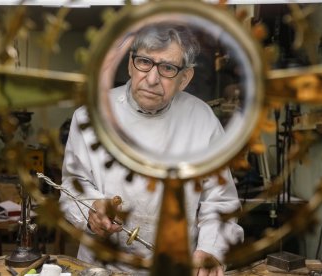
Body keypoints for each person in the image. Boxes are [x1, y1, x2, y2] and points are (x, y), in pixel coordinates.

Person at [60, 22, 244, 276]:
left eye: (168, 68)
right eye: (144, 62)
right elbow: (72, 188)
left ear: (185, 78)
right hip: (101, 267)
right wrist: (92, 210)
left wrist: (211, 249)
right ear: (130, 64)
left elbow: (220, 201)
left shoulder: (203, 120)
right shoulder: (90, 117)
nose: (152, 78)